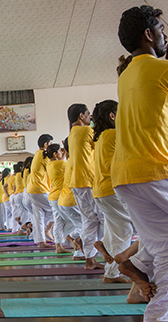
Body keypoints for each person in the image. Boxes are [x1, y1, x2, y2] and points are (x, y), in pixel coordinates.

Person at [112, 5, 168, 322]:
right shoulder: (162, 69)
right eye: (162, 30)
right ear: (148, 34)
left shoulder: (127, 76)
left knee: (165, 240)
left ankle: (141, 264)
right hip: (157, 169)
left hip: (126, 175)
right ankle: (158, 317)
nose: (164, 36)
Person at [91, 100, 133, 284]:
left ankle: (107, 252)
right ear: (112, 116)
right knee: (125, 230)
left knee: (116, 228)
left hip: (100, 189)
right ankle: (114, 272)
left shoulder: (101, 137)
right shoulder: (115, 134)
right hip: (112, 188)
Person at [67, 103, 105, 270]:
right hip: (90, 181)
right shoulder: (87, 131)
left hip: (76, 182)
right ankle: (108, 255)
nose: (90, 117)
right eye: (88, 114)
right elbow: (103, 148)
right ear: (81, 116)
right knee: (105, 219)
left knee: (89, 221)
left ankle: (90, 259)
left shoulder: (71, 134)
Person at [58, 138, 85, 260]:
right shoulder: (75, 160)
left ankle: (75, 240)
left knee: (81, 225)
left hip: (64, 199)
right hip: (71, 200)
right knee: (86, 225)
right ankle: (80, 250)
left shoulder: (68, 161)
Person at [27, 134, 55, 247]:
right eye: (51, 144)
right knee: (57, 209)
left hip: (32, 190)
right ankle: (47, 230)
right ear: (45, 144)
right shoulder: (44, 155)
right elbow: (53, 168)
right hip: (40, 189)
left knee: (39, 216)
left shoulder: (37, 154)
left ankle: (41, 241)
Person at [45, 143, 71, 254]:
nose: (62, 153)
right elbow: (71, 166)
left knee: (59, 222)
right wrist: (67, 154)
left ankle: (59, 246)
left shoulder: (49, 164)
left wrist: (64, 155)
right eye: (60, 151)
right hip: (61, 196)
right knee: (73, 220)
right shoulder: (60, 163)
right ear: (55, 154)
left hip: (53, 196)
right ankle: (66, 238)